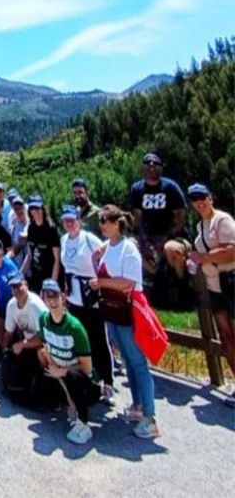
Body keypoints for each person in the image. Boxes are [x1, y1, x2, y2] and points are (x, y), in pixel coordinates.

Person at [92, 204, 160, 439]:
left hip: (128, 310)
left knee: (138, 362)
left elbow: (128, 282)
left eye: (104, 221)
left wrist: (101, 283)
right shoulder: (108, 247)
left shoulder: (128, 248)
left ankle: (150, 417)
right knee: (128, 361)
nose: (101, 225)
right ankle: (137, 405)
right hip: (113, 309)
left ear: (116, 223)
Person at [34, 279, 100, 445]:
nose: (52, 300)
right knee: (41, 385)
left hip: (85, 381)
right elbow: (50, 356)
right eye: (47, 296)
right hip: (62, 373)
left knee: (72, 376)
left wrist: (62, 373)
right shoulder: (43, 320)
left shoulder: (74, 327)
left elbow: (86, 368)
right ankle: (68, 404)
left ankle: (84, 423)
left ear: (62, 297)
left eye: (55, 295)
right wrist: (67, 394)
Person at [59, 205, 114, 403]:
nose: (69, 224)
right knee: (81, 340)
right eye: (66, 220)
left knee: (99, 340)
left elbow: (109, 248)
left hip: (91, 296)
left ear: (79, 221)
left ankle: (108, 382)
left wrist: (99, 278)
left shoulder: (88, 239)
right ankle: (88, 379)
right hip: (74, 298)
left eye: (72, 220)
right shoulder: (64, 240)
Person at [186, 183, 235, 405]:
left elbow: (231, 251)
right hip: (214, 286)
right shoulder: (200, 226)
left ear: (210, 198)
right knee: (225, 335)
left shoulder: (223, 220)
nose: (199, 203)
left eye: (202, 198)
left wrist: (203, 258)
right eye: (195, 200)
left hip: (230, 281)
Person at [128, 152, 189, 281]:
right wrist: (146, 240)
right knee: (129, 245)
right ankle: (157, 276)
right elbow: (137, 219)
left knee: (171, 249)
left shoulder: (170, 187)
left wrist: (166, 237)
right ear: (142, 168)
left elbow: (181, 218)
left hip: (172, 236)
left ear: (161, 168)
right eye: (147, 163)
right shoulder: (137, 189)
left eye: (155, 163)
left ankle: (182, 282)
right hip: (148, 236)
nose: (151, 165)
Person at [0, 274, 47, 405]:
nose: (16, 290)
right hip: (27, 344)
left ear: (25, 284)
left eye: (18, 286)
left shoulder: (36, 305)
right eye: (12, 287)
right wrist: (4, 352)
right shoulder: (11, 305)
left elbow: (44, 338)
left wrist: (22, 344)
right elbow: (8, 333)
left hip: (44, 345)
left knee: (41, 353)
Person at [22, 194, 60, 293]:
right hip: (35, 277)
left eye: (38, 208)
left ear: (43, 209)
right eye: (32, 208)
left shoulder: (51, 229)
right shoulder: (31, 228)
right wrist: (20, 273)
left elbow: (57, 259)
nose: (36, 211)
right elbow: (29, 256)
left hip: (49, 276)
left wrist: (53, 284)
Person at [8, 195, 28, 268]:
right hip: (16, 264)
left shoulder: (29, 224)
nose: (18, 211)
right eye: (16, 209)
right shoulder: (13, 223)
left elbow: (22, 240)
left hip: (26, 266)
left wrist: (6, 258)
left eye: (20, 208)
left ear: (24, 208)